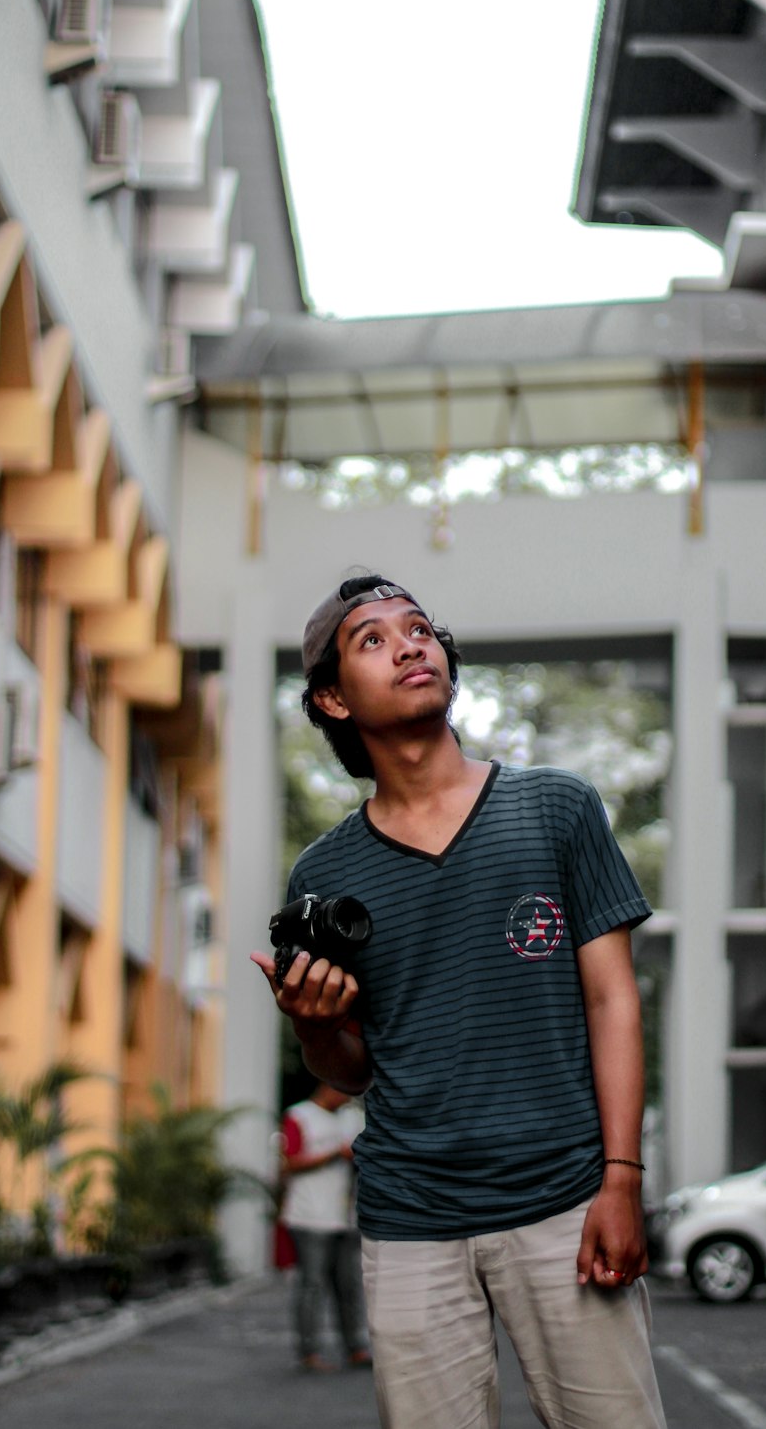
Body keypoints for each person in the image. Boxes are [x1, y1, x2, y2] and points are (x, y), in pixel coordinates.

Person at [252, 574, 667, 1429]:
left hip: (566, 1200)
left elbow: (613, 1002)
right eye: (373, 639)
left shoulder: (557, 810)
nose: (410, 644)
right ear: (332, 698)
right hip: (410, 1221)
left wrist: (621, 1179)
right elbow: (350, 1070)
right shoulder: (324, 879)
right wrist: (313, 1025)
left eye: (419, 629)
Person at [279, 1081, 371, 1372]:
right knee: (312, 1284)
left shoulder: (352, 1117)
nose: (347, 1096)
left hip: (345, 1216)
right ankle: (309, 1352)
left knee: (349, 1284)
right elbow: (289, 1162)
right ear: (326, 1086)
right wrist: (334, 1154)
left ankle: (355, 1347)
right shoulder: (299, 1115)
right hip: (309, 1215)